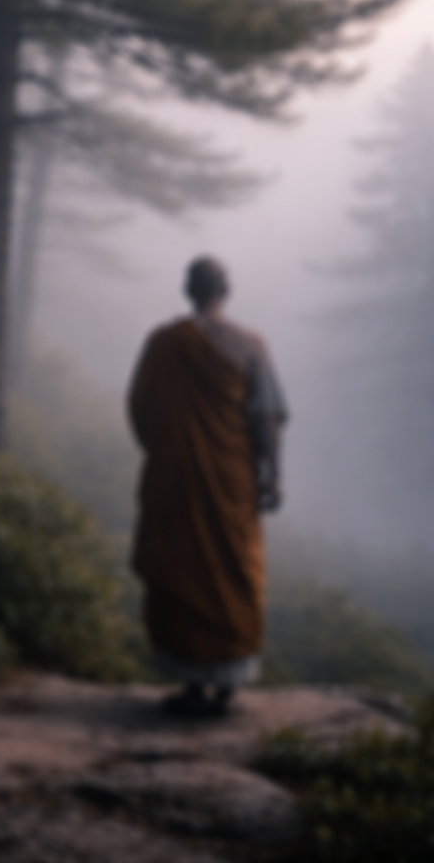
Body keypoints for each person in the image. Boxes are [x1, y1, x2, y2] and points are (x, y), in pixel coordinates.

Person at [127, 257, 287, 718]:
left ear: (187, 290)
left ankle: (192, 684)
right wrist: (272, 474)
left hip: (175, 481)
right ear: (226, 290)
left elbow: (141, 410)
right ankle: (226, 685)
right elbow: (266, 417)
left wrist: (171, 450)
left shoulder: (163, 345)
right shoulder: (250, 345)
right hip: (233, 481)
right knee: (233, 569)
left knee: (184, 569)